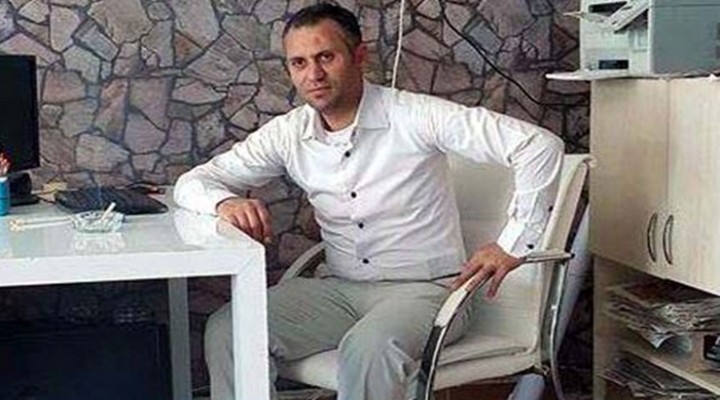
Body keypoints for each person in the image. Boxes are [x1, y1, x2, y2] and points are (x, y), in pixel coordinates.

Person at [174, 3, 564, 400]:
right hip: (337, 290)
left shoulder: (414, 115)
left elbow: (539, 146)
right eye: (299, 62)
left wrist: (514, 244)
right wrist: (223, 202)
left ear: (359, 56)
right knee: (229, 328)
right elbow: (192, 183)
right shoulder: (287, 134)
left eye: (326, 57)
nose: (313, 74)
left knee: (369, 349)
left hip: (426, 292)